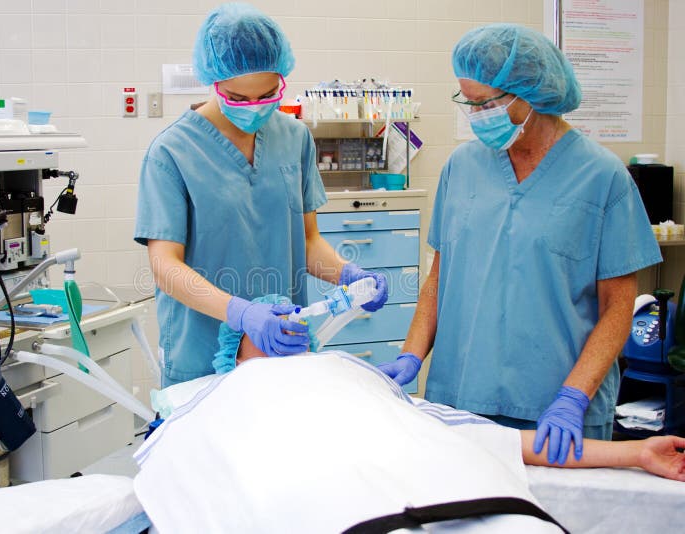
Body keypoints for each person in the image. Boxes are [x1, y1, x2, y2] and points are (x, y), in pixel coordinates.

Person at [377, 23, 662, 466]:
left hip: (557, 413)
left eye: (486, 103)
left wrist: (573, 396)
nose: (475, 115)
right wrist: (411, 356)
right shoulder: (462, 168)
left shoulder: (602, 178)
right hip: (461, 400)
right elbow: (440, 278)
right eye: (467, 103)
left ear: (531, 93)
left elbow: (618, 309)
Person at [137, 310, 685, 533]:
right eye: (270, 322)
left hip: (465, 502)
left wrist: (636, 452)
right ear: (235, 348)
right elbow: (178, 467)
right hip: (325, 505)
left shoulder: (353, 376)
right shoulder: (213, 398)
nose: (290, 324)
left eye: (292, 317)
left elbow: (504, 442)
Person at [133, 3, 387, 387]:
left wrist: (348, 276)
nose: (254, 109)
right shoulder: (172, 153)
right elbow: (166, 267)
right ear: (213, 83)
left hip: (281, 348)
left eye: (267, 95)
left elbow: (307, 240)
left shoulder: (294, 137)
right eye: (238, 97)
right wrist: (239, 312)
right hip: (204, 353)